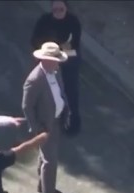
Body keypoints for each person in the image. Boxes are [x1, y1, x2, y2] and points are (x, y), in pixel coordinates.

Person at [22, 41, 70, 193]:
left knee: (45, 157)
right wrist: (37, 129)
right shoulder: (35, 80)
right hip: (44, 126)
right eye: (56, 60)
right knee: (50, 161)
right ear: (46, 60)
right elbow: (27, 107)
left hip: (55, 121)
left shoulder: (55, 72)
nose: (58, 63)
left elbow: (60, 93)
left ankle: (44, 186)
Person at [30, 0, 83, 135]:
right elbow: (35, 40)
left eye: (61, 9)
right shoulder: (44, 21)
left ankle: (73, 122)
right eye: (55, 10)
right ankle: (44, 120)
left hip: (68, 59)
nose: (58, 12)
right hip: (49, 57)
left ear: (66, 8)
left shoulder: (73, 21)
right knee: (46, 90)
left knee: (71, 90)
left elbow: (75, 43)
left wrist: (61, 49)